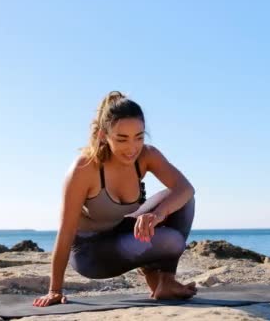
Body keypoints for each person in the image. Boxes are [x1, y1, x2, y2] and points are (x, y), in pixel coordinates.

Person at [33, 91, 197, 307]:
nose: (132, 148)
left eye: (138, 137)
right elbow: (65, 231)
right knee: (171, 241)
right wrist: (55, 290)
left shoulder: (147, 156)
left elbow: (185, 188)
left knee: (183, 200)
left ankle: (165, 282)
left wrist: (157, 214)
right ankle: (152, 274)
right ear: (103, 135)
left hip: (122, 234)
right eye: (122, 139)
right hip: (91, 253)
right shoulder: (85, 168)